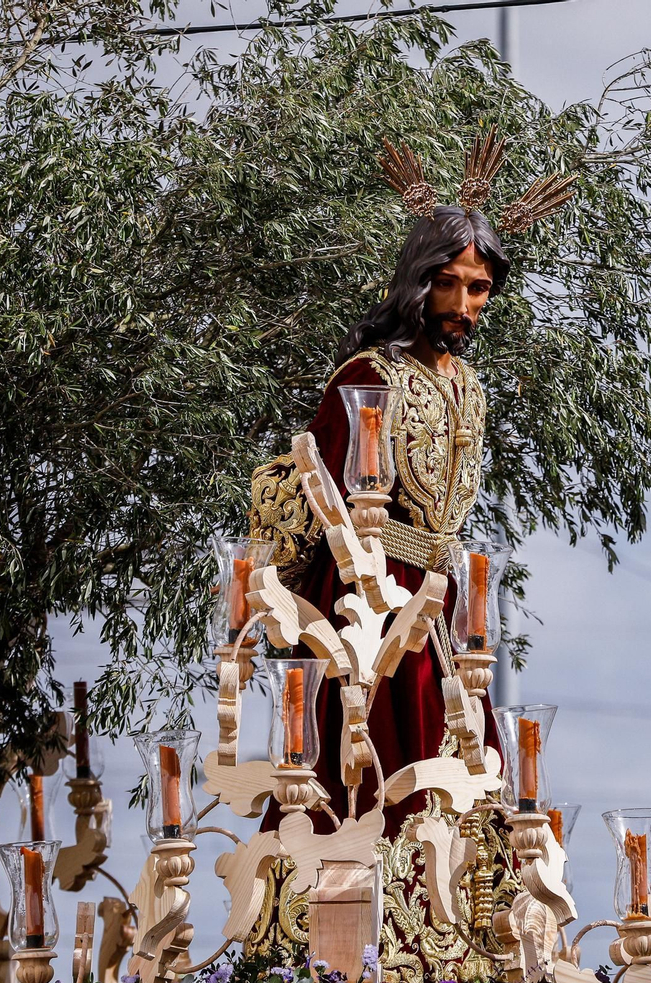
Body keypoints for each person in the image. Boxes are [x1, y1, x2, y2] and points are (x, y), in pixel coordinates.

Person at [251, 134, 574, 834]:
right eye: (448, 282)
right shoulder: (368, 376)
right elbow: (313, 502)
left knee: (464, 781)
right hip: (369, 603)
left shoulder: (470, 387)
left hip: (443, 606)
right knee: (380, 790)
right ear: (418, 282)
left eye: (479, 286)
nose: (463, 302)